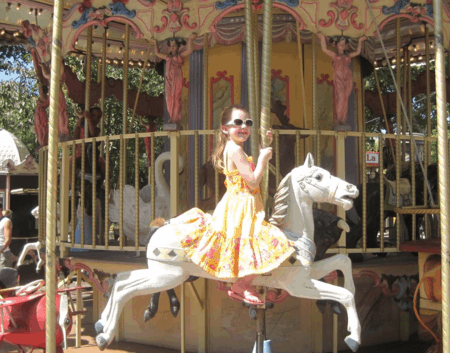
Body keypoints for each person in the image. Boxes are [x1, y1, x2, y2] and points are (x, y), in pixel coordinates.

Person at [177, 105, 295, 304]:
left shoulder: (232, 149)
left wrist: (264, 146)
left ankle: (244, 284)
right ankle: (242, 285)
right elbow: (253, 181)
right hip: (241, 206)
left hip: (240, 203)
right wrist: (263, 159)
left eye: (248, 123)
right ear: (225, 128)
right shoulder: (235, 150)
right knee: (270, 243)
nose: (244, 127)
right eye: (238, 122)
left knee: (249, 246)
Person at [317, 34, 363, 127]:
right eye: (340, 44)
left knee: (345, 98)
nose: (342, 46)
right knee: (341, 97)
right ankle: (338, 119)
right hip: (339, 76)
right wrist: (322, 38)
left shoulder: (348, 55)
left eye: (343, 44)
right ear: (336, 45)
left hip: (348, 76)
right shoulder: (334, 55)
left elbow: (358, 52)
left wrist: (360, 41)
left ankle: (343, 119)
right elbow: (324, 49)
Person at [155, 34, 196, 124]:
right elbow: (157, 53)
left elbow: (189, 50)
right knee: (169, 98)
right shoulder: (168, 57)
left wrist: (190, 39)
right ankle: (171, 117)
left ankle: (175, 118)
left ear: (178, 46)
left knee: (176, 97)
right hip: (169, 79)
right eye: (171, 45)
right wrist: (155, 43)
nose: (172, 47)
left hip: (176, 78)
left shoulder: (179, 56)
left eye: (174, 45)